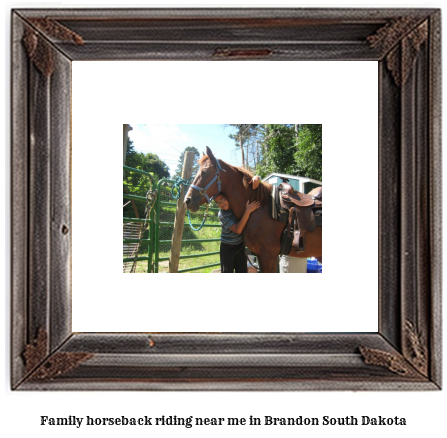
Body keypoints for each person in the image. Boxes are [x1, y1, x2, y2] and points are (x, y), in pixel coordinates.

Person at [214, 176, 261, 273]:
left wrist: (257, 177)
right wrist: (247, 211)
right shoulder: (222, 214)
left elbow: (247, 188)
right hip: (227, 247)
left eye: (222, 199)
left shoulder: (237, 205)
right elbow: (238, 229)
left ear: (227, 197)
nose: (221, 204)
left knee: (242, 271)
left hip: (240, 245)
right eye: (218, 203)